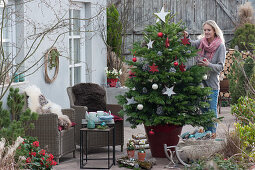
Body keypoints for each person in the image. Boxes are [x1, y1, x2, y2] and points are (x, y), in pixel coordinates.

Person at [184, 20, 226, 138]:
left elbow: (220, 67)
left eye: (209, 30)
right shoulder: (202, 42)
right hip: (200, 84)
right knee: (203, 110)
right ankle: (205, 135)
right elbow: (192, 44)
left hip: (212, 85)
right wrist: (186, 37)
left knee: (211, 112)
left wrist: (208, 65)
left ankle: (212, 135)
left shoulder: (220, 46)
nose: (207, 32)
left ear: (214, 31)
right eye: (205, 30)